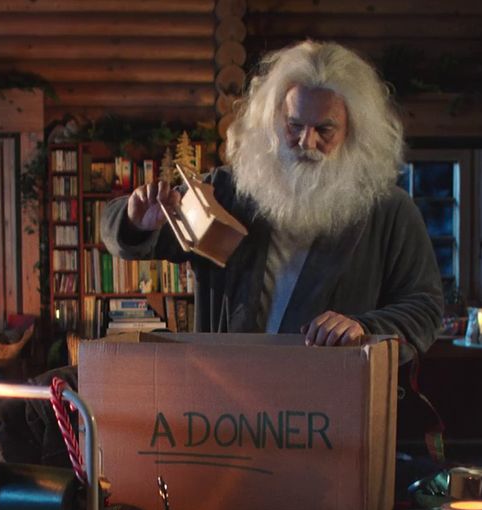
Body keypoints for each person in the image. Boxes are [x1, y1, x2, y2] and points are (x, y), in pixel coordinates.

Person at [103, 40, 444, 362]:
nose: (306, 142)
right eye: (294, 125)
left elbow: (424, 309)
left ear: (353, 132)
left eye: (324, 130)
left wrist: (365, 328)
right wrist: (135, 221)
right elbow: (120, 231)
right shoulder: (229, 190)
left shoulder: (389, 210)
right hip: (226, 396)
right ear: (273, 119)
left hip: (331, 404)